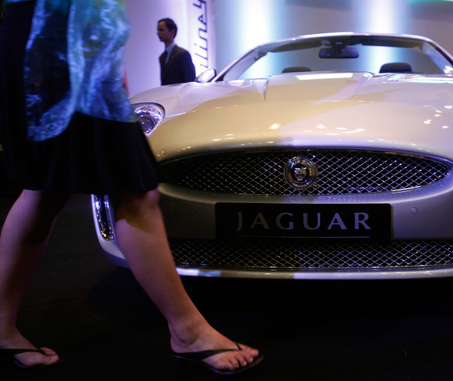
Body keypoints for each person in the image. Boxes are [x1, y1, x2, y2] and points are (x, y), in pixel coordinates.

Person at [0, 0, 262, 374]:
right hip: (63, 33)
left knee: (44, 188)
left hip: (46, 31)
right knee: (131, 190)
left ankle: (1, 327)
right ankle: (188, 332)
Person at [157, 17, 196, 85]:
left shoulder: (183, 54)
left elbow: (190, 80)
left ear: (172, 32)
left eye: (161, 30)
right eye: (158, 30)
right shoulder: (162, 57)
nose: (158, 33)